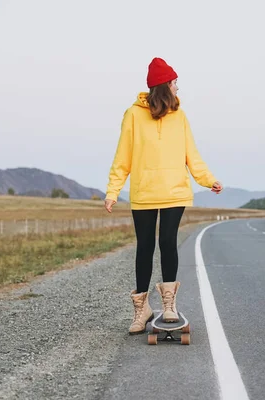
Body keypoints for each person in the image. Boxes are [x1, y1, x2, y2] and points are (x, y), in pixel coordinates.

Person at [104, 57, 222, 334]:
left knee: (168, 241)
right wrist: (113, 191)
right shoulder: (133, 115)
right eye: (174, 83)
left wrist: (208, 180)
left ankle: (168, 305)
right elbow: (123, 157)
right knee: (144, 246)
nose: (178, 88)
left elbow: (191, 153)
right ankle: (142, 309)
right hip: (144, 191)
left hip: (174, 191)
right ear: (164, 85)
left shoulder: (179, 116)